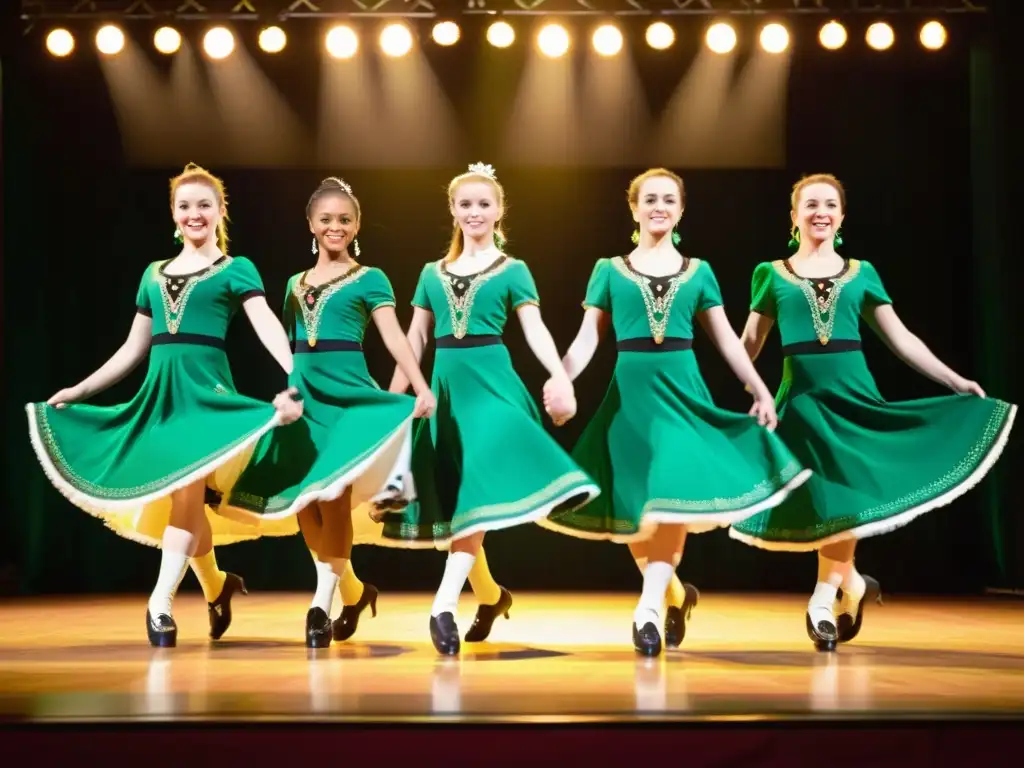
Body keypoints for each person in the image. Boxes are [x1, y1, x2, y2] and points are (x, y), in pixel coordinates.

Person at [730, 173, 1017, 651]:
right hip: (801, 404)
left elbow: (900, 338)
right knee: (829, 507)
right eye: (810, 204)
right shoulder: (771, 274)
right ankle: (855, 584)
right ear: (794, 216)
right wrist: (751, 391)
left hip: (854, 399)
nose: (820, 212)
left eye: (830, 205)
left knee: (844, 505)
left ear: (841, 217)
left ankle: (823, 600)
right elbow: (749, 344)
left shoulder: (861, 273)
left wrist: (953, 378)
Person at [26, 163, 303, 647]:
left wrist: (295, 375)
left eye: (204, 205)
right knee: (185, 499)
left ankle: (160, 604)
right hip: (161, 398)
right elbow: (133, 350)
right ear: (172, 215)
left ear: (220, 212)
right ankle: (218, 586)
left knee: (187, 492)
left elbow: (266, 326)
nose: (194, 214)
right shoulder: (153, 274)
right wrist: (80, 390)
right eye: (184, 206)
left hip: (206, 399)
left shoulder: (237, 269)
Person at [540, 168, 810, 657]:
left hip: (682, 395)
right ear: (634, 208)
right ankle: (675, 594)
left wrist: (759, 388)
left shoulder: (699, 271)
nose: (659, 206)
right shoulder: (608, 269)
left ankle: (647, 609)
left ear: (681, 210)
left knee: (669, 501)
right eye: (650, 199)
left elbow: (727, 339)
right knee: (632, 511)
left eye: (668, 199)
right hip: (629, 402)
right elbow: (587, 339)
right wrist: (561, 377)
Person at [385, 162, 599, 655]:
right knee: (464, 509)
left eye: (484, 203)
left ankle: (442, 606)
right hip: (445, 394)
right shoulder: (429, 273)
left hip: (495, 389)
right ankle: (490, 595)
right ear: (453, 212)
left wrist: (559, 374)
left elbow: (534, 328)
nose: (475, 211)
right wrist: (392, 400)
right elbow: (414, 338)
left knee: (477, 490)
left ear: (499, 210)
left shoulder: (513, 270)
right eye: (466, 204)